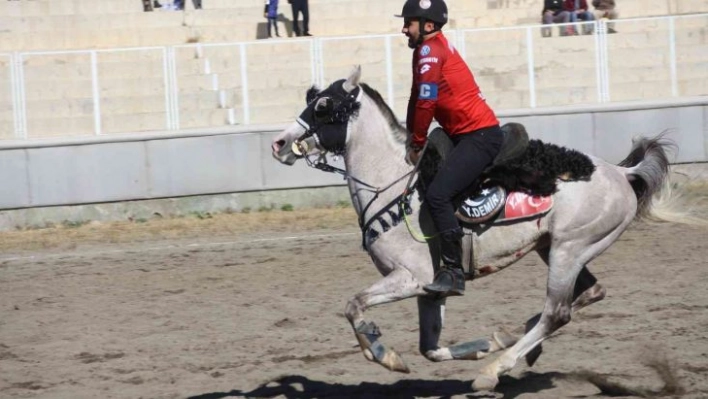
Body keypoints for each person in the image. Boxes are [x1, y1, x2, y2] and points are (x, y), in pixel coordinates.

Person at [396, 0, 504, 297]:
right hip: (464, 135)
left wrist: (417, 142)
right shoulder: (424, 50)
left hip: (479, 137)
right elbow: (415, 98)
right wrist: (410, 137)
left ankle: (453, 272)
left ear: (429, 25)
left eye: (409, 23)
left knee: (438, 195)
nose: (404, 29)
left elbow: (426, 103)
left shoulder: (430, 51)